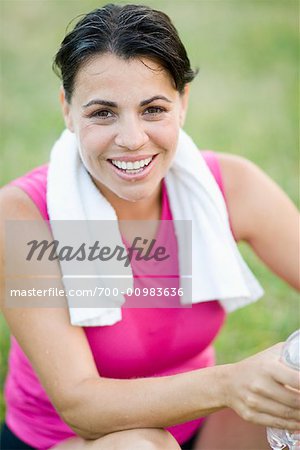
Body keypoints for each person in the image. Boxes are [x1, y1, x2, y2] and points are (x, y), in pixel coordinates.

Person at [0, 3, 299, 450]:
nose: (132, 138)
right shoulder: (21, 216)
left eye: (153, 109)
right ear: (67, 109)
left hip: (197, 432)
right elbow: (81, 407)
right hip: (74, 443)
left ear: (182, 103)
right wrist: (228, 384)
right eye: (103, 112)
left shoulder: (231, 186)